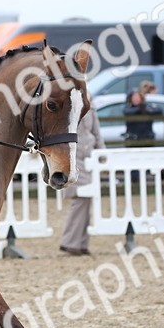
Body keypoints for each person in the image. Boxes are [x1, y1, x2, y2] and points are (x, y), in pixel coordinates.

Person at [59, 109, 103, 255]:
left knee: (86, 199)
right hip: (73, 156)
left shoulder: (91, 106)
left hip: (89, 158)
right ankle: (70, 241)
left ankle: (80, 243)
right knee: (81, 197)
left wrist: (103, 155)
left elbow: (96, 133)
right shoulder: (68, 103)